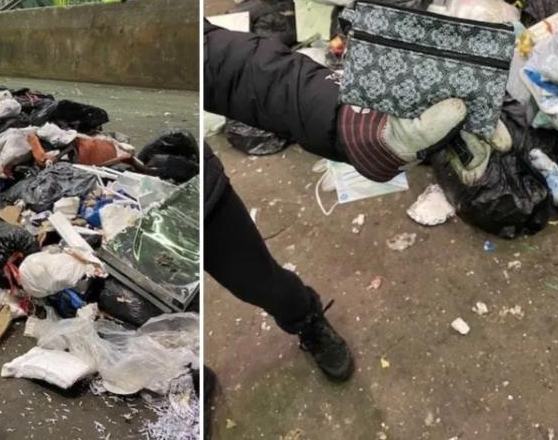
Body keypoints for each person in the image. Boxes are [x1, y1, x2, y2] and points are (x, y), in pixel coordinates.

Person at [203, 21, 510, 383]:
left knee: (261, 283)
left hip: (204, 203)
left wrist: (352, 117)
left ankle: (307, 320)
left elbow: (236, 65)